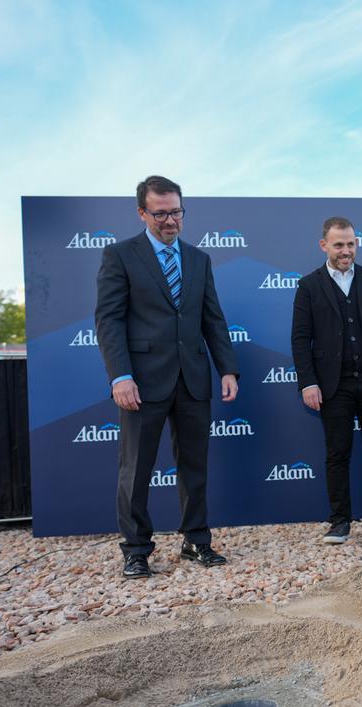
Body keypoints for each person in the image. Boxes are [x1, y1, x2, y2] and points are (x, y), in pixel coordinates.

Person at [95, 175, 240, 579]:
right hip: (141, 382)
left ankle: (197, 541)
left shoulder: (199, 259)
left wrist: (226, 367)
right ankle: (136, 549)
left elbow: (212, 317)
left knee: (194, 466)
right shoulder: (120, 255)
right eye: (160, 213)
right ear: (142, 213)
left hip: (193, 379)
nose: (170, 220)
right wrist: (120, 376)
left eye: (176, 211)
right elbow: (109, 321)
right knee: (136, 469)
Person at [291, 217, 362, 545]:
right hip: (333, 386)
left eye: (351, 244)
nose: (346, 250)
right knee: (337, 454)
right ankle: (340, 522)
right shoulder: (308, 286)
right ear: (324, 245)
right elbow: (301, 339)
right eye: (339, 244)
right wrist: (307, 382)